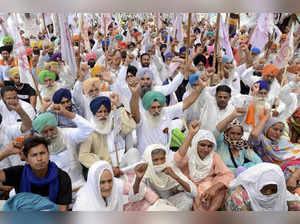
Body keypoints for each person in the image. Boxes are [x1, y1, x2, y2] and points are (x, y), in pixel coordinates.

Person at [128, 74, 207, 156]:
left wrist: (200, 88)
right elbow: (134, 112)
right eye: (153, 108)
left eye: (159, 107)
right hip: (146, 158)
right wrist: (134, 94)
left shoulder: (166, 112)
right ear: (147, 107)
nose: (156, 110)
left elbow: (187, 102)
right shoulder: (142, 116)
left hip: (165, 157)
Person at [32, 104, 94, 193]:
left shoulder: (68, 134)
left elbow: (88, 128)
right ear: (39, 133)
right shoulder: (37, 146)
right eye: (45, 132)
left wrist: (66, 113)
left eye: (52, 129)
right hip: (56, 190)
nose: (50, 134)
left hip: (79, 186)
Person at [174, 121, 234, 211]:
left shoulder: (214, 156)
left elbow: (228, 175)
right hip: (189, 184)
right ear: (195, 143)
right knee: (198, 194)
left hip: (208, 184)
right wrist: (190, 134)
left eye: (209, 146)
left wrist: (214, 188)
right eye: (202, 145)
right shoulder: (189, 153)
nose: (206, 149)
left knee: (221, 190)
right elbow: (178, 159)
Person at [0, 136, 72, 211]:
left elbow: (62, 210)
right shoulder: (19, 173)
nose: (39, 158)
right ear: (26, 159)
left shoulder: (62, 177)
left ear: (48, 154)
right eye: (34, 155)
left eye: (42, 153)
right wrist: (5, 152)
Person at [79, 95, 137, 176]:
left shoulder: (114, 123)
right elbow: (83, 155)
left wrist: (119, 106)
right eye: (99, 112)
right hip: (105, 169)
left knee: (133, 152)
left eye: (106, 111)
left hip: (122, 163)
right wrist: (104, 166)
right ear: (94, 113)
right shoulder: (89, 130)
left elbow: (130, 127)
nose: (103, 115)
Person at [72, 161, 157, 211]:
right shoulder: (83, 205)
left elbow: (134, 196)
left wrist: (138, 179)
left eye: (109, 181)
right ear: (94, 183)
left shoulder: (116, 184)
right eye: (102, 182)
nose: (107, 186)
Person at [135, 144, 197, 211]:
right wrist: (138, 179)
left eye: (162, 159)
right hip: (153, 205)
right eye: (155, 160)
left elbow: (194, 192)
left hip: (169, 202)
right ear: (149, 160)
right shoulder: (145, 173)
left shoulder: (170, 168)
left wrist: (176, 177)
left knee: (187, 199)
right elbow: (136, 197)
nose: (160, 163)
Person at [226, 163, 300, 211]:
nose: (269, 192)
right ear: (257, 184)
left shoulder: (280, 191)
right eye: (265, 188)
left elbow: (295, 204)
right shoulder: (238, 196)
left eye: (273, 189)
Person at [214, 108, 262, 175]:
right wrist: (232, 116)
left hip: (239, 175)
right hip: (222, 174)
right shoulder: (221, 141)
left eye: (238, 134)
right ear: (227, 133)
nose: (235, 136)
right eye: (232, 133)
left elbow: (258, 161)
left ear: (242, 135)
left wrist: (245, 168)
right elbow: (216, 131)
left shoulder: (243, 145)